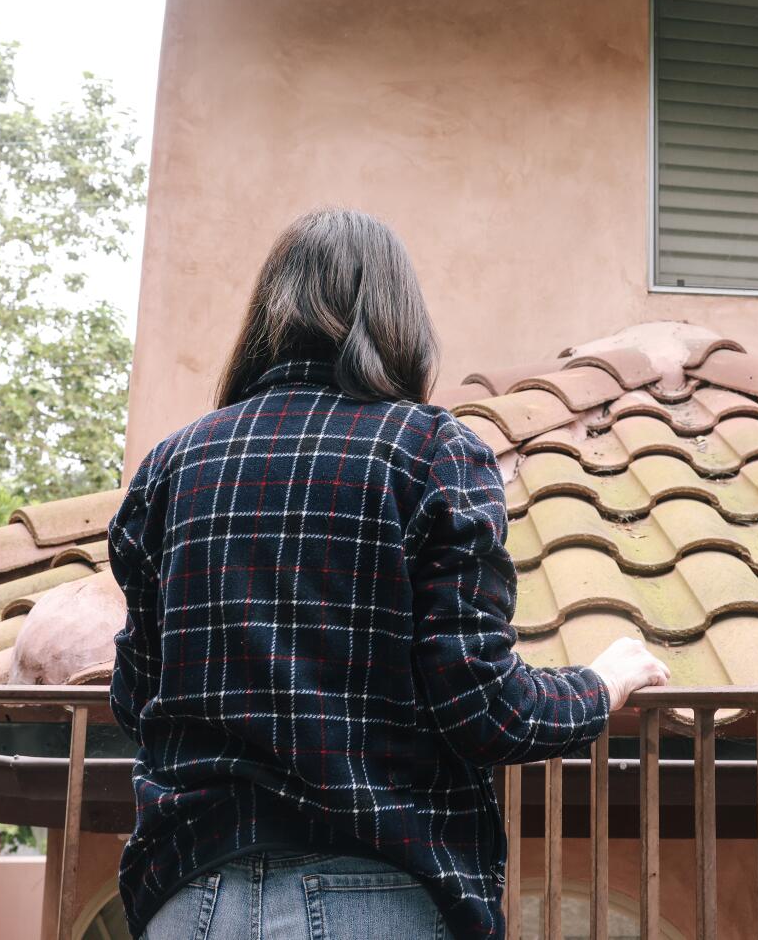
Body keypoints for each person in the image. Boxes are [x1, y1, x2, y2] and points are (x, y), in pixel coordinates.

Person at [109, 209, 671, 939]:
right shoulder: (430, 450)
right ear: (399, 322)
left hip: (188, 898)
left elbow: (137, 699)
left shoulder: (172, 466)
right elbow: (482, 707)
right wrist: (599, 686)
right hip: (371, 893)